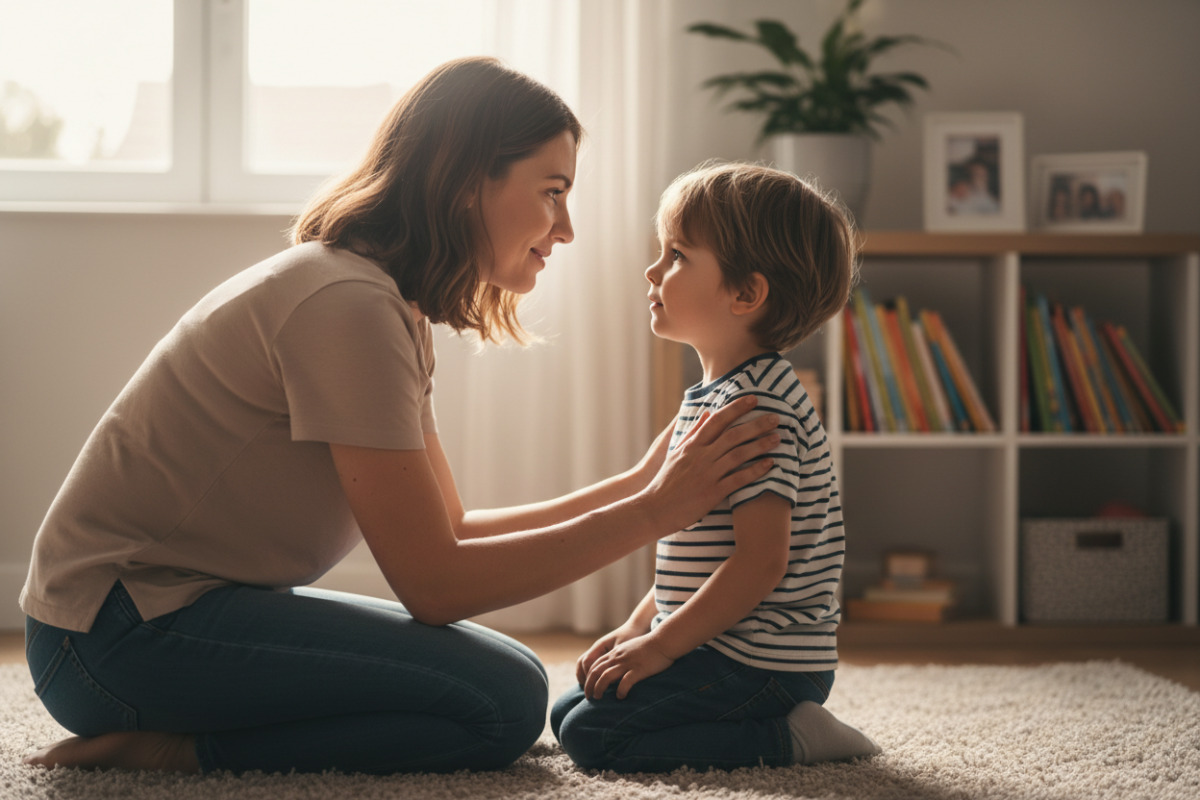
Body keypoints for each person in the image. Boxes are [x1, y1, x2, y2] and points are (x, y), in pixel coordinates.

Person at [19, 58, 780, 776]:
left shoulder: (385, 305)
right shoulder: (346, 306)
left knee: (507, 676)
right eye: (552, 191)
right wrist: (655, 510)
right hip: (113, 638)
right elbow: (436, 585)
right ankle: (179, 752)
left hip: (160, 615)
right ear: (465, 184)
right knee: (502, 705)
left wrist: (640, 486)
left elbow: (451, 527)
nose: (567, 227)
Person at [551, 162, 881, 773]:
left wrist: (660, 648)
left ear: (745, 294)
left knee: (595, 737)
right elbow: (694, 551)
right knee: (569, 711)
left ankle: (793, 737)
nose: (652, 271)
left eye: (676, 255)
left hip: (764, 662)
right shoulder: (716, 395)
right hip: (721, 643)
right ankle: (768, 720)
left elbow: (760, 561)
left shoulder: (758, 410)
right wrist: (637, 627)